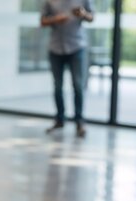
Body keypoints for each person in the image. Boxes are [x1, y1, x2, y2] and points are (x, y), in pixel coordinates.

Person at [41, 0, 94, 137]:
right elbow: (42, 21)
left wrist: (83, 14)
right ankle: (59, 119)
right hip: (55, 47)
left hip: (77, 46)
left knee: (78, 85)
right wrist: (55, 19)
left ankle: (79, 121)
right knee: (57, 86)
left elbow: (91, 17)